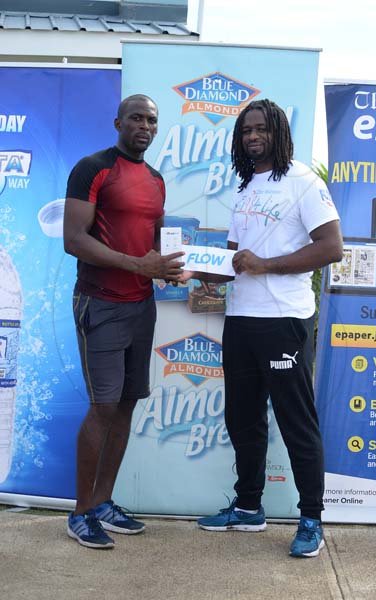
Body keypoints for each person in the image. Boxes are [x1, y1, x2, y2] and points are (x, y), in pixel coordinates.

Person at [181, 99, 343, 558]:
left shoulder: (304, 184)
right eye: (246, 130)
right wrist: (193, 272)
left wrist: (268, 265)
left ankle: (311, 516)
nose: (253, 137)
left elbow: (331, 247)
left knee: (296, 422)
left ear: (278, 132)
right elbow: (233, 262)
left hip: (284, 322)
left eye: (261, 129)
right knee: (242, 418)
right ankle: (250, 507)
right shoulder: (246, 186)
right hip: (242, 320)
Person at [63, 94, 184, 549]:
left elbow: (156, 243)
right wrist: (136, 266)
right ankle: (79, 514)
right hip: (101, 301)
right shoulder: (92, 168)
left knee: (128, 404)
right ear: (118, 122)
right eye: (137, 118)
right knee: (103, 407)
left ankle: (103, 502)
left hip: (141, 306)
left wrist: (179, 265)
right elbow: (74, 240)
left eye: (152, 121)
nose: (145, 126)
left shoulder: (156, 179)